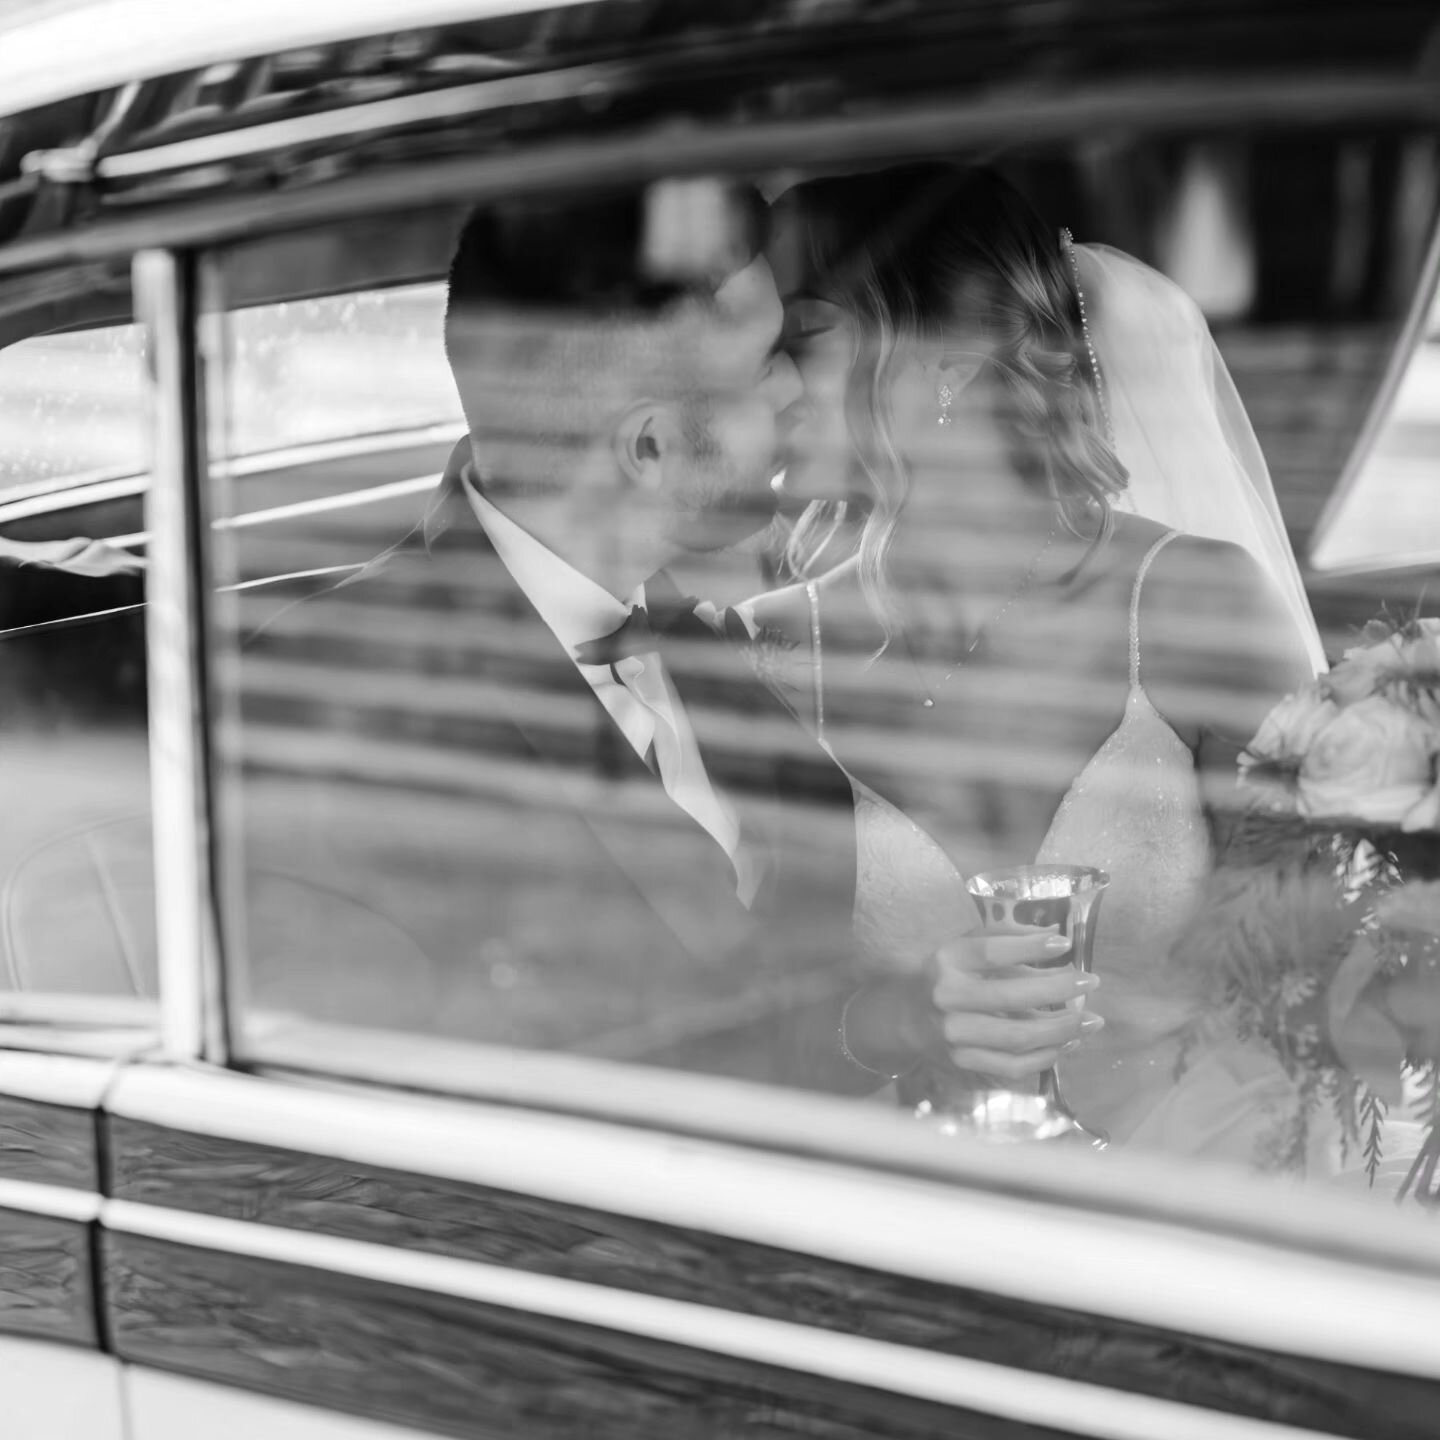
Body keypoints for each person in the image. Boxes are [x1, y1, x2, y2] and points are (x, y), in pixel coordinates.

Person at [747, 163, 1330, 1165]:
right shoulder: (766, 651)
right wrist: (905, 1019)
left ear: (946, 361)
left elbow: (1318, 979)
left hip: (1192, 1199)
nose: (764, 383)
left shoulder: (1195, 604)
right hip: (885, 1215)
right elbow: (758, 1017)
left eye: (802, 339)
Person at [235, 181, 866, 1088]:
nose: (798, 388)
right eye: (765, 361)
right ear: (649, 450)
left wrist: (893, 1026)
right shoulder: (326, 712)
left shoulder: (694, 632)